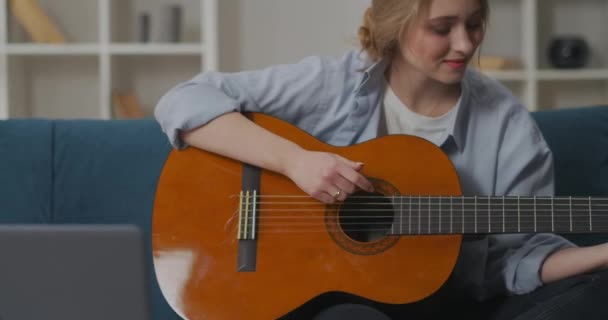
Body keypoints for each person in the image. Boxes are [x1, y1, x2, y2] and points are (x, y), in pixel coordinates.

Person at [154, 0, 608, 318]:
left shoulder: (509, 127)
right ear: (395, 25)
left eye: (474, 24)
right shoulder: (331, 83)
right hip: (339, 302)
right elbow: (183, 101)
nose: (465, 44)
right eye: (442, 27)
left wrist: (601, 255)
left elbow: (515, 263)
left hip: (454, 304)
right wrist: (295, 161)